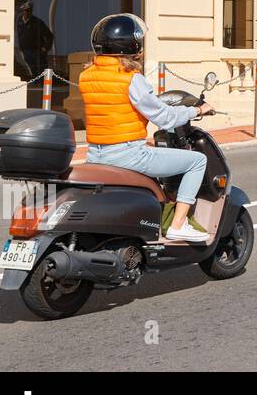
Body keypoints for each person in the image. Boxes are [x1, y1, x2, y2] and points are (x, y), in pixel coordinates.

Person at [77, 14, 211, 244]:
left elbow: (112, 110)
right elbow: (165, 117)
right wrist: (197, 111)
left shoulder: (86, 76)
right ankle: (178, 224)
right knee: (197, 161)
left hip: (96, 154)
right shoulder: (130, 79)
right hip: (127, 155)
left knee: (152, 149)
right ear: (133, 44)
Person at [13, 2, 54, 81]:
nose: (28, 12)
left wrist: (45, 48)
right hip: (25, 52)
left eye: (30, 10)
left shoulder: (37, 22)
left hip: (37, 52)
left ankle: (43, 89)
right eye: (26, 11)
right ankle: (35, 87)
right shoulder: (19, 22)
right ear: (23, 11)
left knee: (41, 72)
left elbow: (49, 36)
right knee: (32, 72)